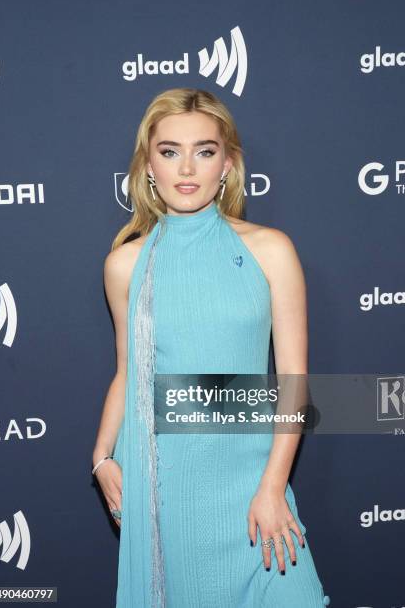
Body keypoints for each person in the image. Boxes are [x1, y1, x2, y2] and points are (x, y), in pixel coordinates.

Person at [92, 87, 331, 607]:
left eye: (204, 150)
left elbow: (294, 383)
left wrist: (272, 488)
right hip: (167, 487)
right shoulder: (125, 265)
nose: (187, 168)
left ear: (227, 162)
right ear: (148, 165)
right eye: (169, 150)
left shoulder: (271, 250)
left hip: (252, 478)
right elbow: (127, 373)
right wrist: (101, 457)